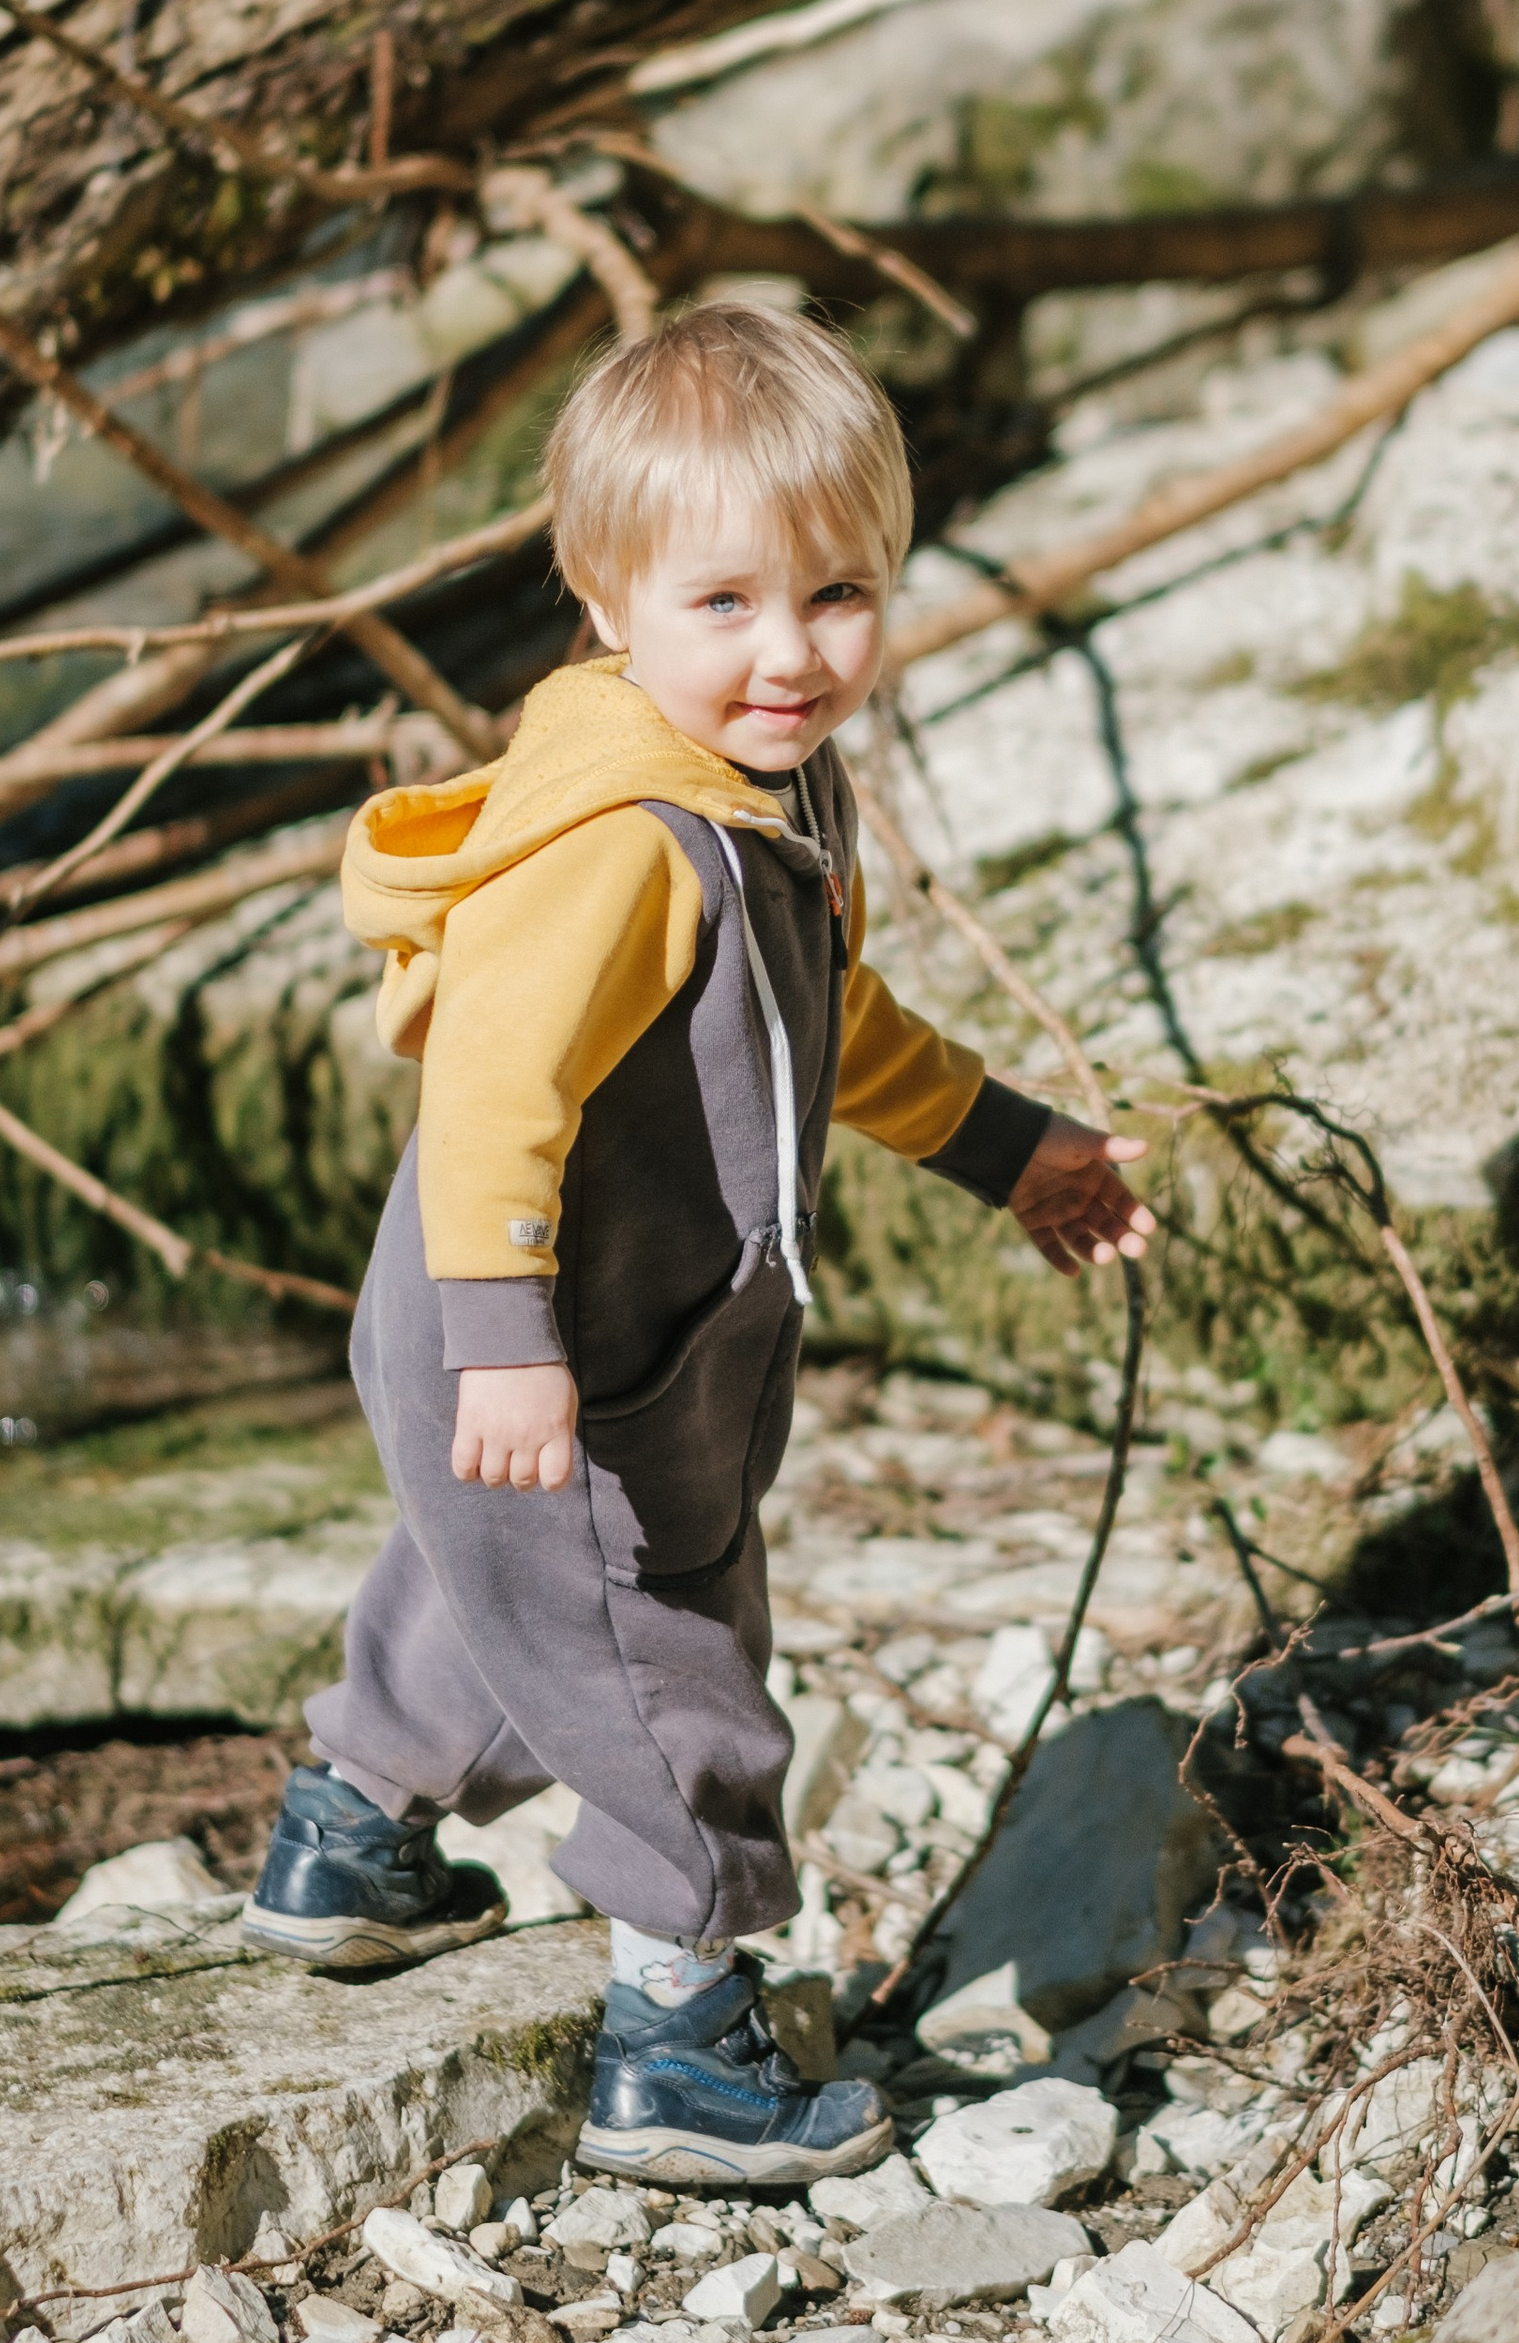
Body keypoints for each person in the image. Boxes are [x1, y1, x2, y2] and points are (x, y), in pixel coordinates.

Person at [243, 299, 1151, 2189]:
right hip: (542, 1318)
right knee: (668, 1655)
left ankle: (349, 1837)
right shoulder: (627, 840)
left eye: (837, 594)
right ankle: (678, 2034)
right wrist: (506, 1334)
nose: (792, 652)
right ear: (602, 595)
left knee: (501, 1586)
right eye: (724, 603)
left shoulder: (763, 800)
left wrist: (1013, 1148)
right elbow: (490, 1082)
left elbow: (839, 1027)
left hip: (584, 1324)